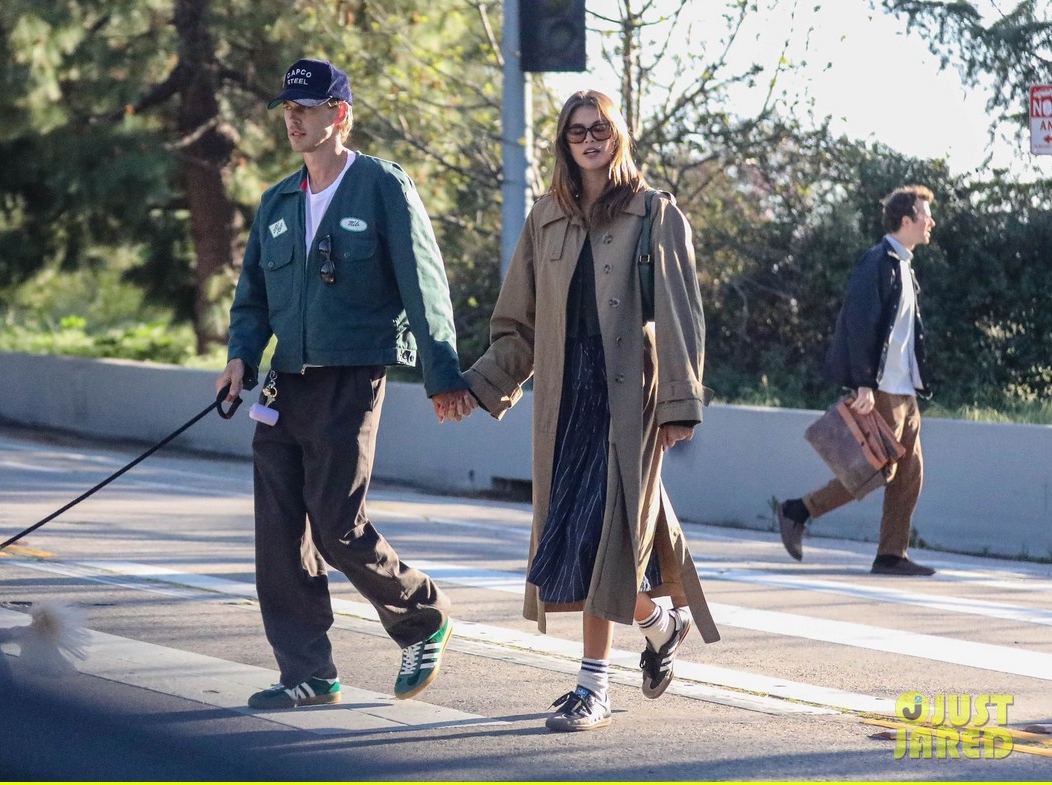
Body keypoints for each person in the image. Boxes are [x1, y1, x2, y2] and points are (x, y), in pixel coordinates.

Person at [456, 90, 719, 732]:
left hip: (631, 395)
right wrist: (478, 384)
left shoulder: (655, 212)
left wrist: (682, 404)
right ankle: (661, 625)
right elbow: (516, 324)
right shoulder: (545, 216)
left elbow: (683, 314)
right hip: (566, 397)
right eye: (577, 131)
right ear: (564, 143)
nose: (590, 138)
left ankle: (592, 688)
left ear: (618, 134)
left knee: (607, 537)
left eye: (601, 128)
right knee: (579, 542)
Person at [217, 58, 474, 710]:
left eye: (306, 107)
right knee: (279, 535)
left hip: (352, 376)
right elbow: (250, 300)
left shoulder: (381, 187)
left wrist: (442, 374)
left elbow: (425, 284)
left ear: (340, 114)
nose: (293, 118)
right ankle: (308, 671)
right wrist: (240, 357)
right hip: (285, 385)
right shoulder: (277, 202)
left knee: (337, 525)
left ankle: (423, 615)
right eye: (288, 108)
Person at [776, 185, 937, 576]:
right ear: (905, 220)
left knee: (910, 474)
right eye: (925, 215)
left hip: (904, 390)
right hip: (881, 388)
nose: (931, 222)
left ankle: (890, 555)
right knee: (877, 470)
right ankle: (798, 510)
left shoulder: (904, 265)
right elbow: (859, 324)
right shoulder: (876, 263)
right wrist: (863, 382)